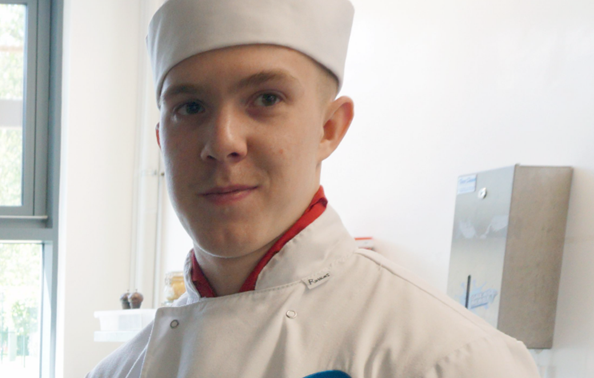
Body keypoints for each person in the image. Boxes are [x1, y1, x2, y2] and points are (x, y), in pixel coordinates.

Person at [88, 0, 541, 377]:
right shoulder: (115, 372)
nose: (223, 141)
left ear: (329, 128)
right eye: (190, 107)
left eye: (266, 98)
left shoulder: (451, 359)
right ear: (161, 140)